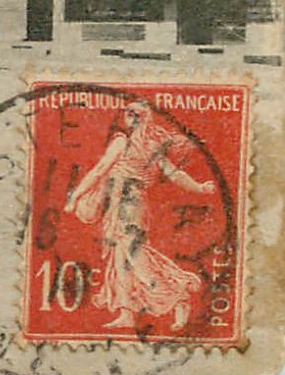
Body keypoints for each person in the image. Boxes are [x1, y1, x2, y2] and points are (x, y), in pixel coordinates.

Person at [64, 100, 215, 331]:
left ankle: (178, 296)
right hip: (131, 203)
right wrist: (200, 187)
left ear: (134, 118)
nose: (127, 116)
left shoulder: (121, 141)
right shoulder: (151, 144)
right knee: (120, 259)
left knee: (135, 257)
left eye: (130, 113)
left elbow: (99, 170)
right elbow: (174, 173)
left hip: (125, 203)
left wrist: (75, 197)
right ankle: (126, 314)